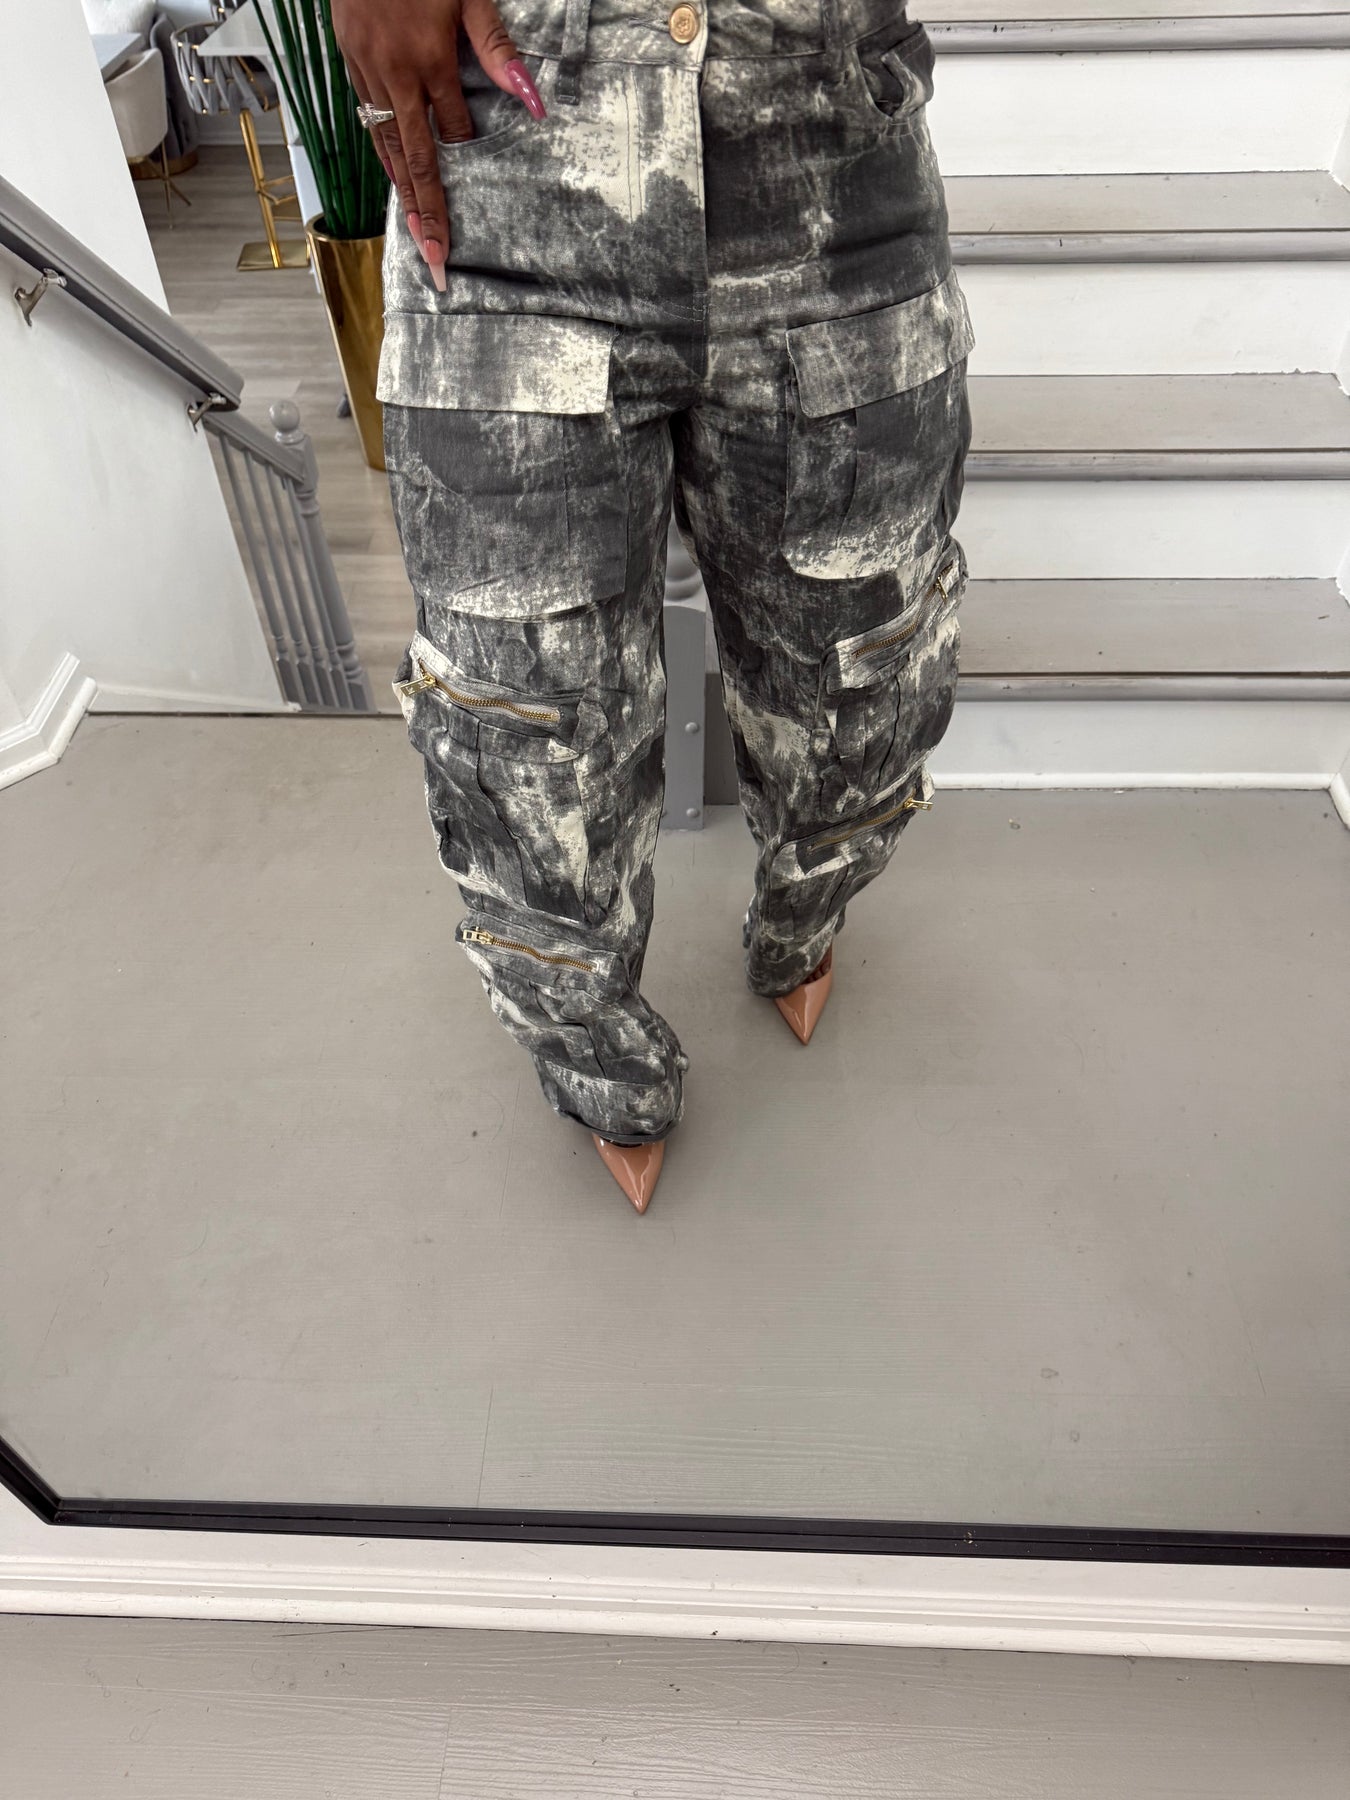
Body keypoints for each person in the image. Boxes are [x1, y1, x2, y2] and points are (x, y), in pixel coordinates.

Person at [334, 0, 973, 1213]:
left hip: (828, 157)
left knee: (863, 687)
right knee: (526, 751)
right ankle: (603, 1071)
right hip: (503, 170)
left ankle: (803, 920)